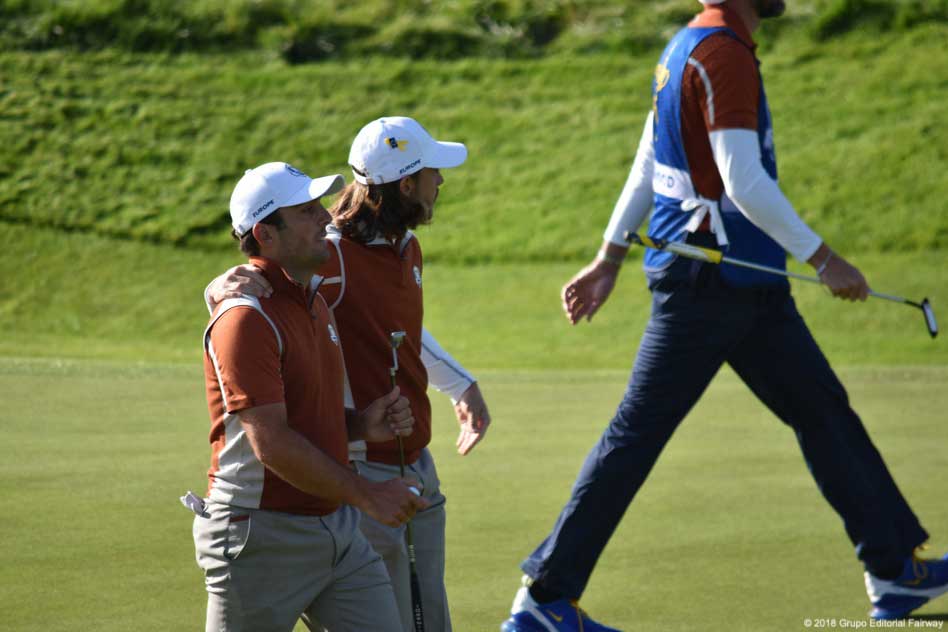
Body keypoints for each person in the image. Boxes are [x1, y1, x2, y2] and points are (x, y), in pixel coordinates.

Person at [502, 1, 948, 630]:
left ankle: (894, 570)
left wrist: (609, 257)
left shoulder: (690, 44)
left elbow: (648, 161)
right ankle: (544, 599)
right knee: (635, 436)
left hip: (745, 283)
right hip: (708, 286)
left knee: (823, 412)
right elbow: (743, 179)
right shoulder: (721, 55)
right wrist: (824, 259)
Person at [206, 117, 492, 631]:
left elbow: (400, 331)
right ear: (406, 184)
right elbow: (255, 297)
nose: (441, 182)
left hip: (392, 468)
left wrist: (457, 386)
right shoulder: (328, 257)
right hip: (345, 481)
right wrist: (218, 288)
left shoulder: (395, 253)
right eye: (432, 172)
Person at [188, 161, 429, 631]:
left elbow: (307, 417)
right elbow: (272, 444)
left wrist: (361, 424)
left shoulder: (314, 302)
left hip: (336, 529)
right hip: (259, 536)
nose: (325, 217)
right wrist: (368, 495)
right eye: (306, 211)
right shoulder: (245, 317)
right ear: (266, 234)